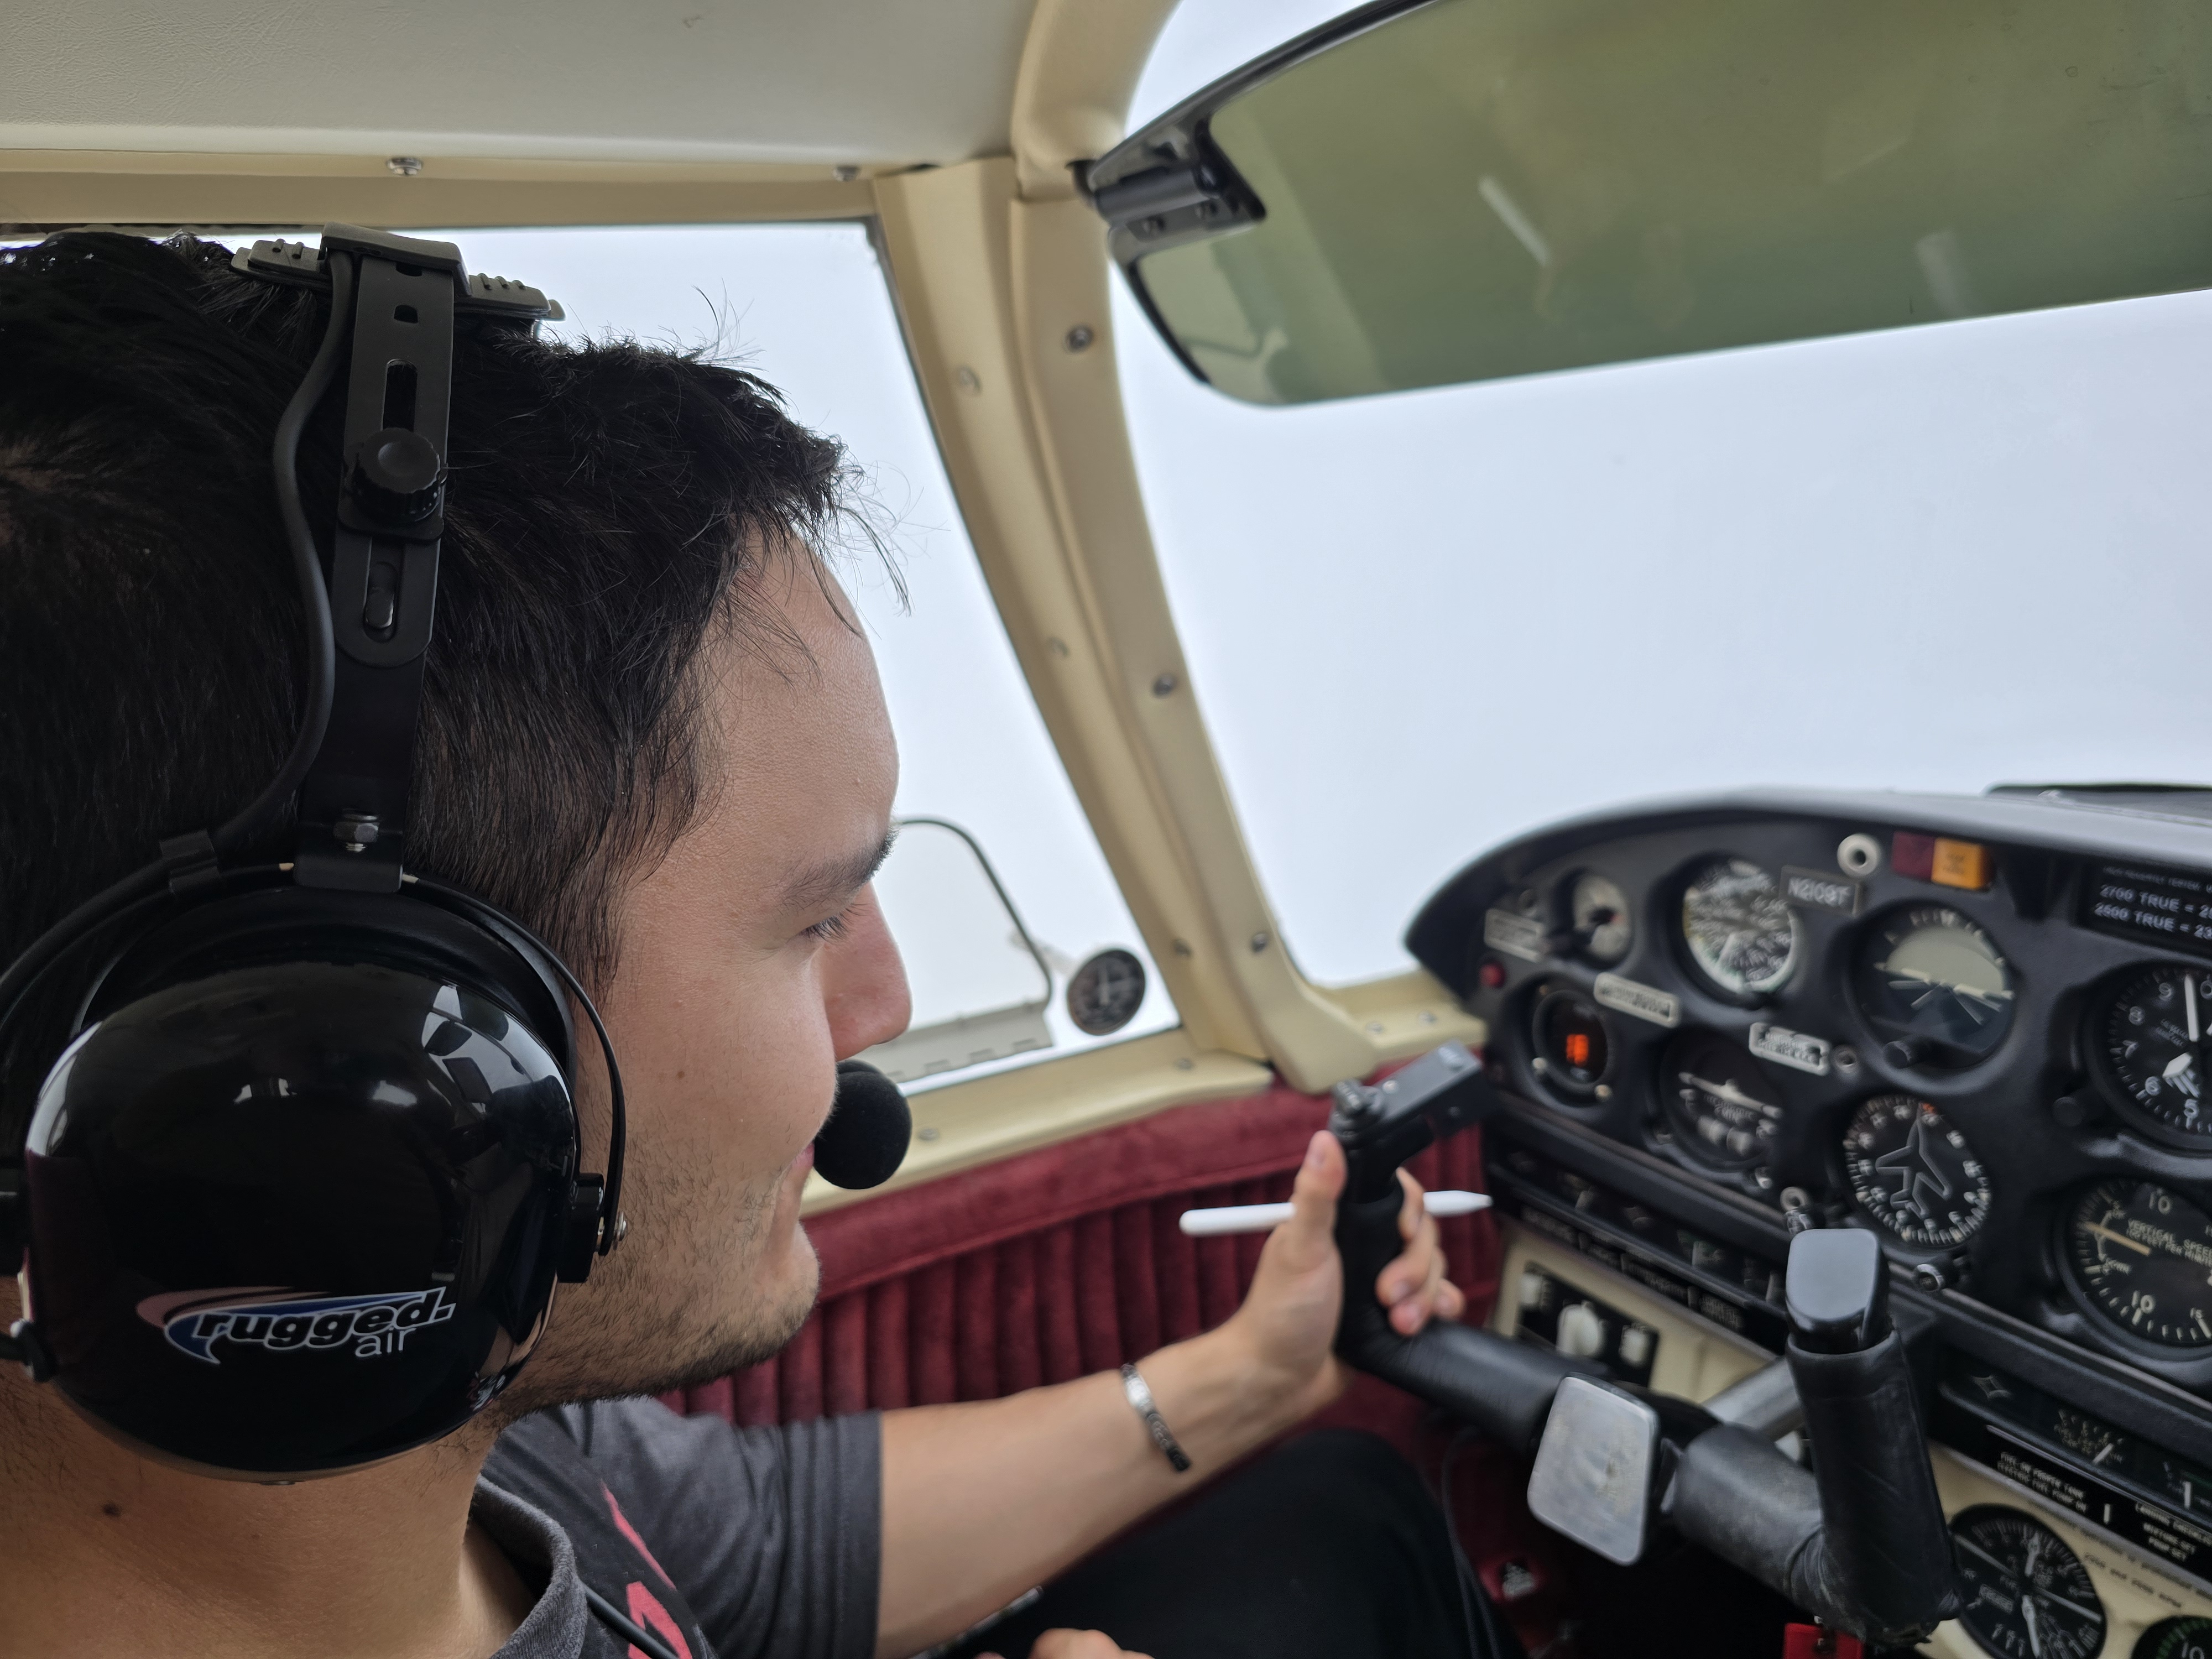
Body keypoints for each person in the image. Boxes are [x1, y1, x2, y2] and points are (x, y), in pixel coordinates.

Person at [0, 232, 1496, 1659]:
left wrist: (1258, 1374)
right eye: (812, 919)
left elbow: (761, 1553)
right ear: (375, 1065)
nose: (887, 1000)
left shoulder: (454, 1384)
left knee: (1340, 1509)